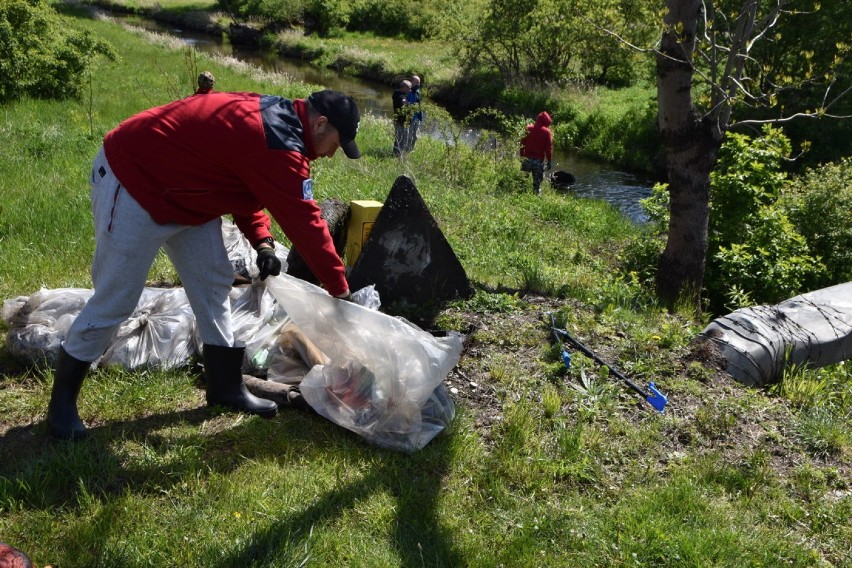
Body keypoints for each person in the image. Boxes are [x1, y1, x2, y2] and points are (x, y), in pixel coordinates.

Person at [46, 88, 361, 440]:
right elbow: (306, 224)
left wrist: (262, 240)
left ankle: (225, 387)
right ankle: (61, 407)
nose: (333, 154)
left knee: (214, 281)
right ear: (320, 124)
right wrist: (340, 289)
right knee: (117, 298)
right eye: (337, 143)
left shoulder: (277, 123)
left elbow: (243, 180)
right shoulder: (278, 142)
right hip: (135, 179)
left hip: (184, 193)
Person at [519, 111, 554, 195]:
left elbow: (522, 144)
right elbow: (548, 149)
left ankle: (519, 197)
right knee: (537, 186)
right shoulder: (547, 132)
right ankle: (536, 200)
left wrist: (521, 156)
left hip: (526, 160)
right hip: (538, 162)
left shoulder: (528, 128)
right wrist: (549, 161)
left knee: (521, 183)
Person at [392, 79, 411, 157]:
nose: (410, 90)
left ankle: (399, 153)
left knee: (402, 138)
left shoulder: (400, 95)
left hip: (402, 120)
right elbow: (403, 107)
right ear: (404, 87)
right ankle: (397, 154)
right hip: (401, 121)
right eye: (409, 88)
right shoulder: (400, 96)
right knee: (400, 138)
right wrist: (410, 107)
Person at [405, 75, 424, 152]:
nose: (418, 84)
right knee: (409, 136)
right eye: (416, 82)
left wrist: (421, 117)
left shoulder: (418, 93)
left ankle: (411, 150)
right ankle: (405, 150)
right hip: (410, 117)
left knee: (415, 136)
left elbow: (420, 105)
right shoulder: (407, 92)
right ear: (412, 82)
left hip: (417, 117)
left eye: (419, 82)